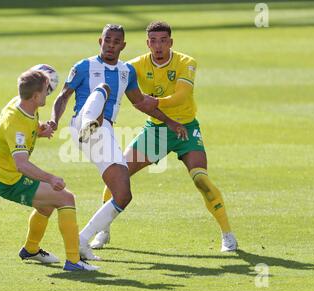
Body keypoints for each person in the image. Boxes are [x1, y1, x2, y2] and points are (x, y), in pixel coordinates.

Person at [92, 21, 238, 252]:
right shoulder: (135, 66)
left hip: (186, 128)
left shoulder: (186, 62)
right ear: (147, 43)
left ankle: (227, 235)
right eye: (153, 41)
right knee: (116, 175)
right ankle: (103, 231)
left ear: (171, 42)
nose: (158, 46)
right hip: (156, 129)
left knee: (201, 179)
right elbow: (112, 78)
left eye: (163, 41)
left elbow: (182, 94)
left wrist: (156, 102)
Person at [49, 24, 186, 260]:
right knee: (102, 88)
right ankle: (88, 123)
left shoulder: (126, 72)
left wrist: (170, 122)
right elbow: (63, 97)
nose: (111, 45)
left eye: (116, 42)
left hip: (103, 132)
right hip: (81, 124)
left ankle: (81, 240)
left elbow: (141, 102)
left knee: (123, 194)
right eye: (107, 40)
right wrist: (53, 121)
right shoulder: (84, 66)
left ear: (123, 45)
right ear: (99, 41)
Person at [0, 68, 99, 271]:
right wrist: (51, 178)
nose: (49, 91)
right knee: (66, 198)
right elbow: (21, 164)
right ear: (36, 96)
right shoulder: (16, 123)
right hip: (9, 180)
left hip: (5, 174)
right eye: (46, 89)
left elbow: (17, 133)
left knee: (46, 206)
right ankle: (74, 261)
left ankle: (31, 249)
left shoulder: (21, 103)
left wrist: (39, 129)